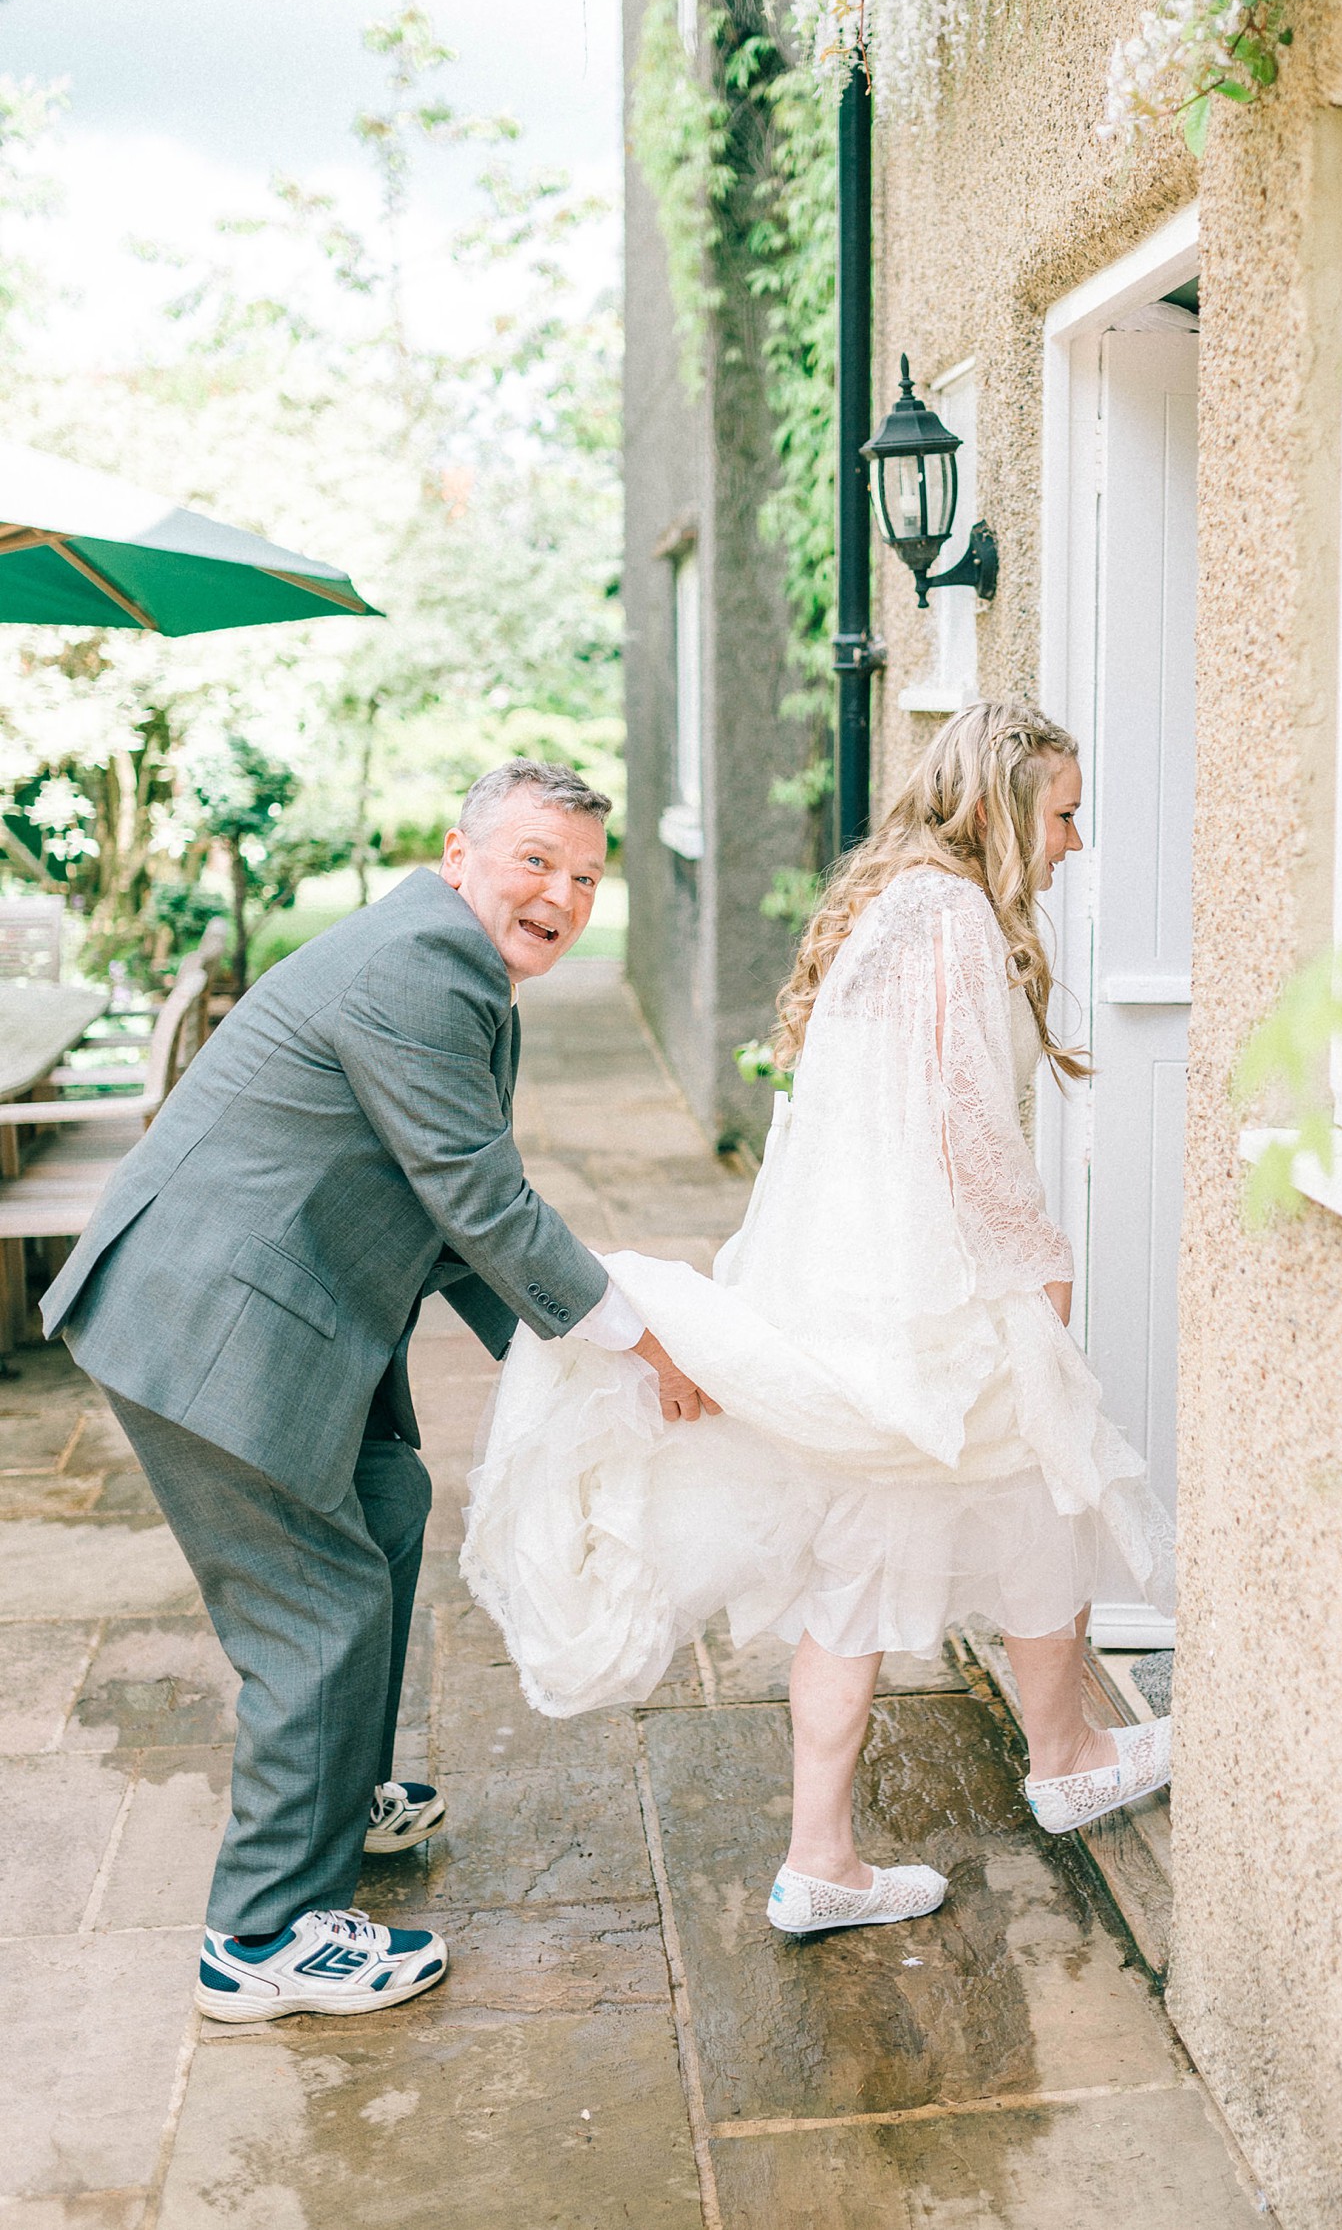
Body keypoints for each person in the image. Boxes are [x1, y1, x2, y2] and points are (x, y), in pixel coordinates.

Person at [464, 702, 1176, 1938]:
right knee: (1048, 1481)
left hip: (857, 1296)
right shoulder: (948, 912)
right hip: (929, 1301)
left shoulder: (898, 904)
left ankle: (820, 1861)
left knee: (864, 1563)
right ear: (1004, 805)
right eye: (1060, 812)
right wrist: (1041, 1265)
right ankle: (1060, 1762)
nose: (1071, 838)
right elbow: (961, 1126)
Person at [40, 760, 701, 2021]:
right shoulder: (421, 965)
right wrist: (635, 1346)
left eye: (581, 874)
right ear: (459, 857)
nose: (559, 893)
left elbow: (441, 1210)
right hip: (207, 1327)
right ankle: (261, 1937)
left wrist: (559, 1362)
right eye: (532, 861)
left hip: (242, 1304)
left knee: (389, 1500)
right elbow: (475, 1191)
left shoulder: (433, 953)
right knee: (319, 1604)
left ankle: (337, 1799)